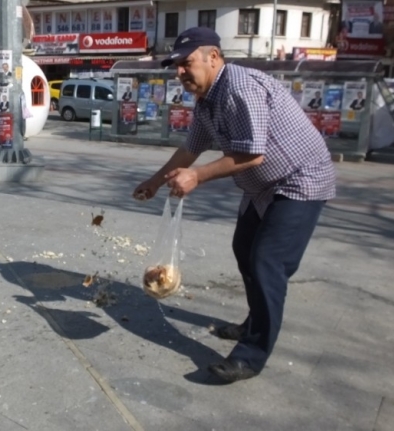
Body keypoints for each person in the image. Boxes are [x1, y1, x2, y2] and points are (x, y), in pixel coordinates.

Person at [133, 27, 336, 383]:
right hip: (262, 187)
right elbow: (189, 149)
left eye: (187, 63)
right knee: (244, 249)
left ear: (213, 57)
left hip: (301, 179)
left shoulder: (240, 89)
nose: (180, 72)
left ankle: (251, 356)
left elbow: (252, 154)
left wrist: (196, 177)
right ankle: (255, 321)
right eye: (176, 66)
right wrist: (154, 180)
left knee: (267, 260)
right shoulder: (207, 100)